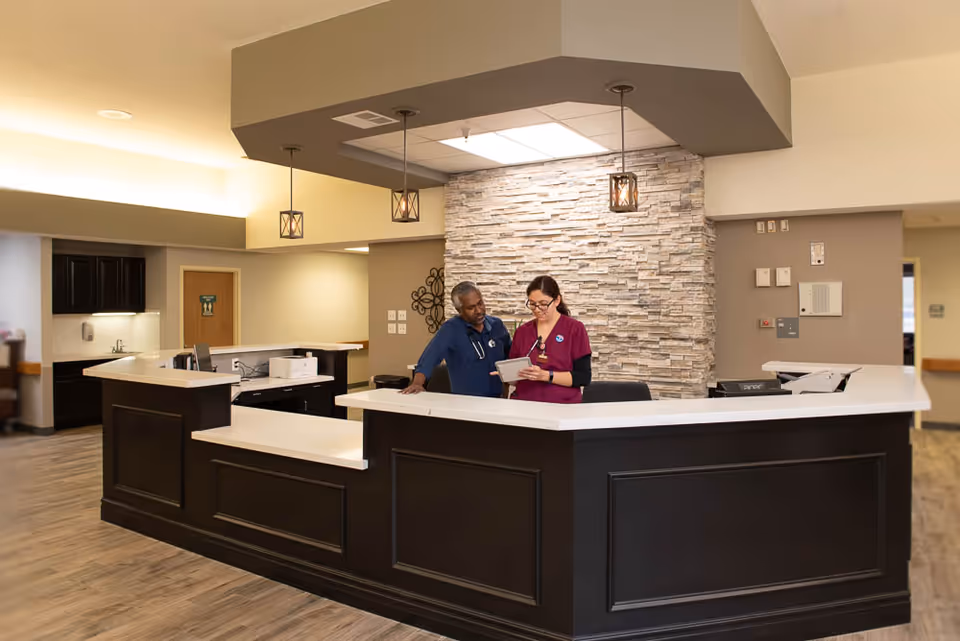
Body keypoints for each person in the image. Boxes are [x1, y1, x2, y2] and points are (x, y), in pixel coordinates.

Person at [401, 281, 512, 397]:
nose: (479, 310)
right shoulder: (451, 329)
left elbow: (510, 355)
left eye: (480, 303)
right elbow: (430, 357)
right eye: (471, 308)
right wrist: (417, 383)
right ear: (459, 310)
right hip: (464, 401)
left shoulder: (496, 325)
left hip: (497, 399)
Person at [507, 275, 592, 403]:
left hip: (562, 406)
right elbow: (515, 375)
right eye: (532, 304)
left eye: (543, 304)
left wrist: (546, 376)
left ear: (557, 300)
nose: (537, 310)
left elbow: (583, 377)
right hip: (524, 404)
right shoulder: (522, 332)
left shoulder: (575, 329)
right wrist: (506, 374)